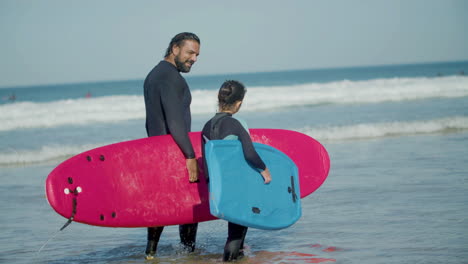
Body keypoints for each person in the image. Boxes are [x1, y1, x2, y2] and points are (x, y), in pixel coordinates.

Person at [143, 32, 201, 260]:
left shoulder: (154, 75)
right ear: (175, 49)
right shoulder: (171, 78)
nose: (194, 58)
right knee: (190, 205)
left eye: (197, 54)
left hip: (156, 151)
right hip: (175, 152)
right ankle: (189, 254)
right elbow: (175, 119)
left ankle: (150, 253)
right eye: (190, 52)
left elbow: (153, 120)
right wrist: (189, 155)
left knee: (161, 204)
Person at [201, 80, 272, 262]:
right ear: (239, 103)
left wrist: (211, 186)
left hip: (217, 185)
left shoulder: (206, 126)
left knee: (238, 228)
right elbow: (250, 153)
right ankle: (230, 259)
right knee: (235, 233)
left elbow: (207, 162)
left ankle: (239, 254)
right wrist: (264, 170)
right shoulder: (236, 124)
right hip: (236, 183)